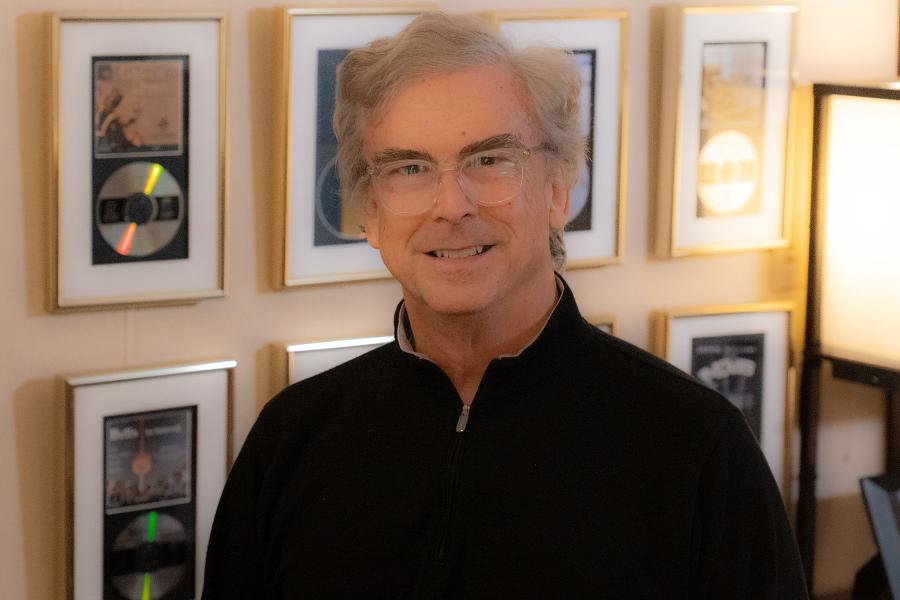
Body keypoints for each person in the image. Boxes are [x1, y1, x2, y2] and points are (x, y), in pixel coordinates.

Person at [203, 12, 807, 599]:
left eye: (489, 161)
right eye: (410, 168)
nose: (451, 205)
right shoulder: (292, 440)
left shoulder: (695, 448)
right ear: (370, 214)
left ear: (559, 187)